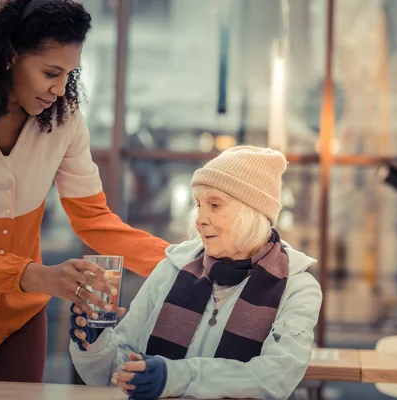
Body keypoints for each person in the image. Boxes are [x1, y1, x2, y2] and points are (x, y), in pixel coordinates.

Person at [0, 0, 169, 386]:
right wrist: (41, 276)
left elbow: (94, 220)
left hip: (17, 309)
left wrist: (179, 265)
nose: (60, 90)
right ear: (9, 55)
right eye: (50, 73)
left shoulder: (65, 120)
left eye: (69, 75)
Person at [70, 146, 323, 400]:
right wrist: (96, 344)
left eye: (214, 205)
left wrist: (175, 378)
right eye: (199, 205)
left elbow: (275, 378)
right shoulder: (173, 267)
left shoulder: (297, 287)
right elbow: (119, 372)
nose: (200, 219)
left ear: (252, 212)